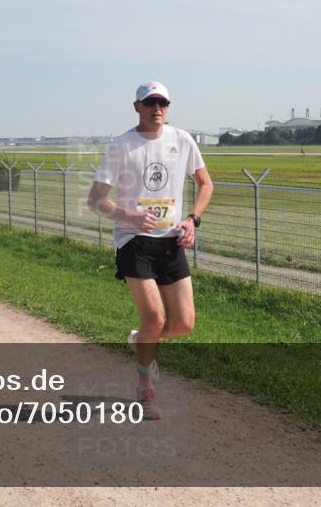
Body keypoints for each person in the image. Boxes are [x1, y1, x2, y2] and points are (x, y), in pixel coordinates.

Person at [87, 81, 213, 420]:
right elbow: (95, 200)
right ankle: (145, 387)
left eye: (163, 103)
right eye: (150, 102)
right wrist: (127, 215)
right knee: (155, 318)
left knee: (184, 325)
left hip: (172, 241)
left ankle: (141, 340)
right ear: (137, 107)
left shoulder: (183, 140)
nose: (157, 108)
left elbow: (205, 183)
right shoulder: (122, 146)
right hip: (133, 241)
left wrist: (193, 220)